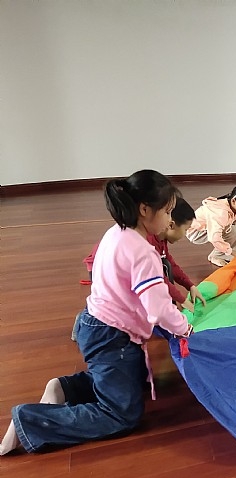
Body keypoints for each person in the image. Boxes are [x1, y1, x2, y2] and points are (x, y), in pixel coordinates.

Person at [0, 170, 193, 455]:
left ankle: (65, 389)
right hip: (113, 337)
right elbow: (158, 309)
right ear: (144, 209)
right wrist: (185, 327)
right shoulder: (143, 252)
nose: (169, 220)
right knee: (122, 414)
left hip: (94, 323)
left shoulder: (116, 233)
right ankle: (29, 421)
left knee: (130, 381)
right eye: (167, 212)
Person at [82, 197, 206, 312]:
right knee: (117, 304)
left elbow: (169, 264)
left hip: (119, 265)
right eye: (185, 229)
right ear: (171, 225)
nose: (185, 234)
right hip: (103, 267)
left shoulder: (160, 238)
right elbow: (158, 278)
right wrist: (182, 300)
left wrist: (190, 286)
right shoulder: (148, 242)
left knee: (165, 264)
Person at [186, 183, 236, 267]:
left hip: (210, 230)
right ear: (234, 201)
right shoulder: (220, 213)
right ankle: (217, 256)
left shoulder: (235, 209)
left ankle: (226, 255)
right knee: (233, 230)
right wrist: (231, 251)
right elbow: (214, 237)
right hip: (196, 233)